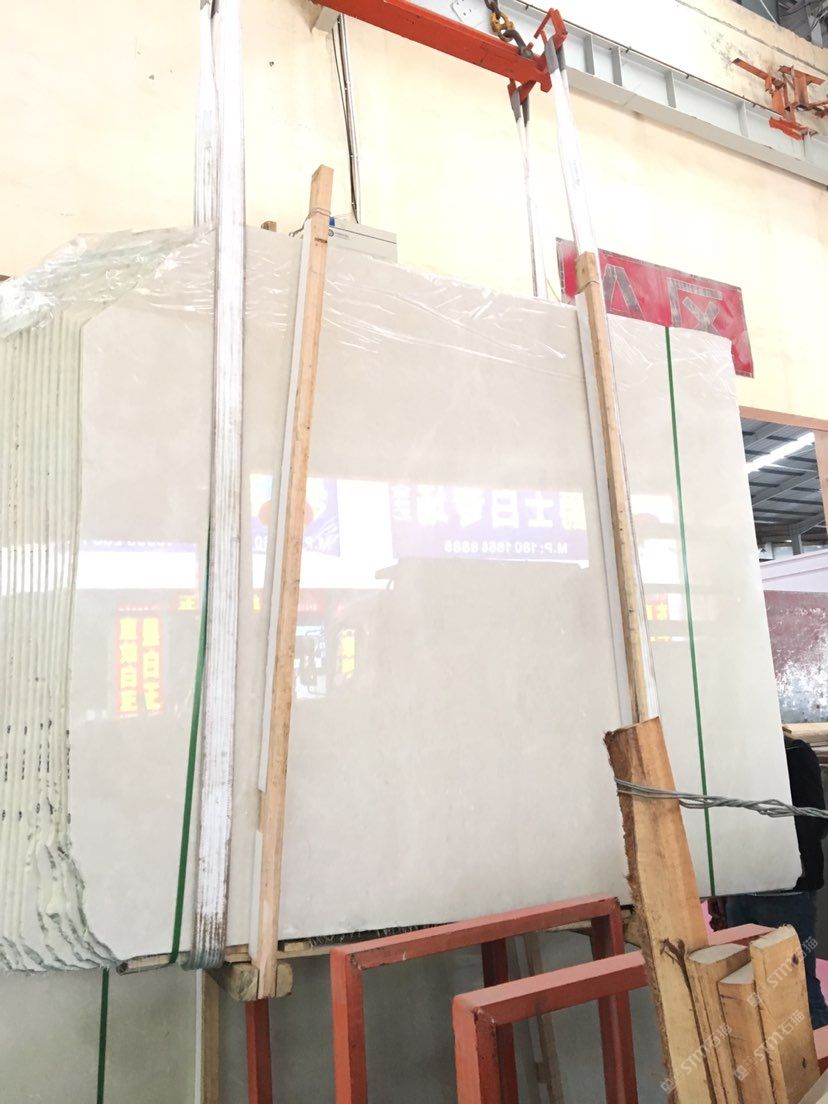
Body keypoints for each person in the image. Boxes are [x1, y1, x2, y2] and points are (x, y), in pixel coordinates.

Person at [710, 735, 828, 1029]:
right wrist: (719, 885)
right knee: (747, 986)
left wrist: (766, 837)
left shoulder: (794, 752)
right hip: (742, 889)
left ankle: (818, 1052)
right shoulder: (730, 754)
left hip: (785, 892)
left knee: (798, 986)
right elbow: (719, 822)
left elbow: (816, 822)